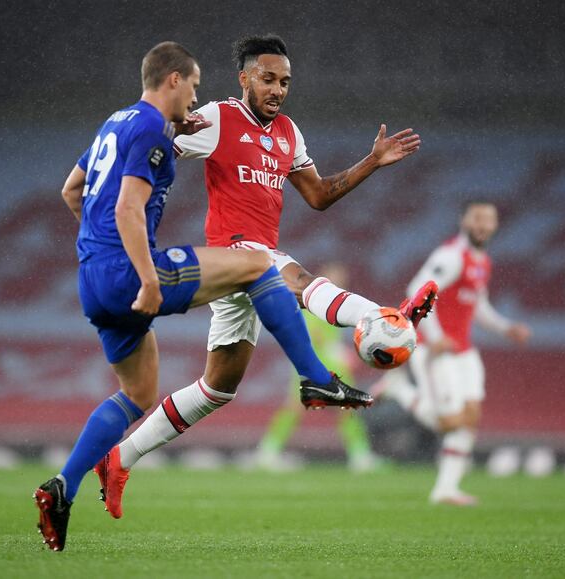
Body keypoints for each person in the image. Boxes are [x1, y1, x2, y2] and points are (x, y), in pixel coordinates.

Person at [34, 41, 372, 551]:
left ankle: (63, 487)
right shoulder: (155, 127)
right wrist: (145, 277)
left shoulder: (116, 123)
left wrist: (99, 253)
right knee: (259, 263)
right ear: (173, 80)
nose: (196, 99)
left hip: (92, 279)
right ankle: (318, 379)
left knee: (139, 395)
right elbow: (128, 208)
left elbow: (71, 190)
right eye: (192, 87)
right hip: (132, 274)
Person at [97, 34, 437, 519]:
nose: (278, 89)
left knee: (218, 388)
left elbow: (318, 195)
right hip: (235, 255)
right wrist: (168, 132)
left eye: (285, 82)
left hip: (243, 272)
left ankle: (119, 459)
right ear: (245, 78)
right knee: (292, 276)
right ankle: (382, 315)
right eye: (268, 79)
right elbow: (158, 140)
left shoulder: (288, 133)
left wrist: (372, 162)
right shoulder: (217, 118)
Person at [372, 200, 531, 506]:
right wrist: (436, 336)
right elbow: (416, 288)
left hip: (464, 350)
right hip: (435, 350)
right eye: (477, 218)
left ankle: (446, 489)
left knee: (470, 417)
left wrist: (505, 327)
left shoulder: (482, 260)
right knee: (449, 422)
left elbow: (478, 305)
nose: (483, 225)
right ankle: (399, 390)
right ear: (464, 221)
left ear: (496, 225)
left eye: (489, 219)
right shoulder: (451, 256)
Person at [255, 263, 382, 472]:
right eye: (335, 276)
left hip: (321, 363)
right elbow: (310, 331)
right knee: (303, 408)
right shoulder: (316, 300)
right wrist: (336, 350)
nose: (340, 281)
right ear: (325, 277)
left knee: (344, 409)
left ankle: (360, 456)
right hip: (317, 361)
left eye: (342, 278)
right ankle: (268, 452)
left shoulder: (334, 302)